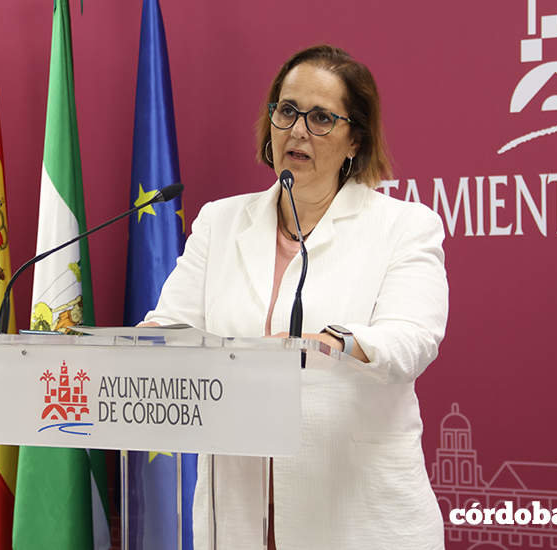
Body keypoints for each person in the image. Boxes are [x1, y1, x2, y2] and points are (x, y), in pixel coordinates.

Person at [143, 44, 448, 549]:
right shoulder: (221, 222)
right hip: (237, 515)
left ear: (355, 140)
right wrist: (138, 346)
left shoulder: (404, 227)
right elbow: (170, 325)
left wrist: (339, 341)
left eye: (322, 118)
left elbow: (413, 338)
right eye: (287, 111)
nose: (298, 130)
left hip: (355, 514)